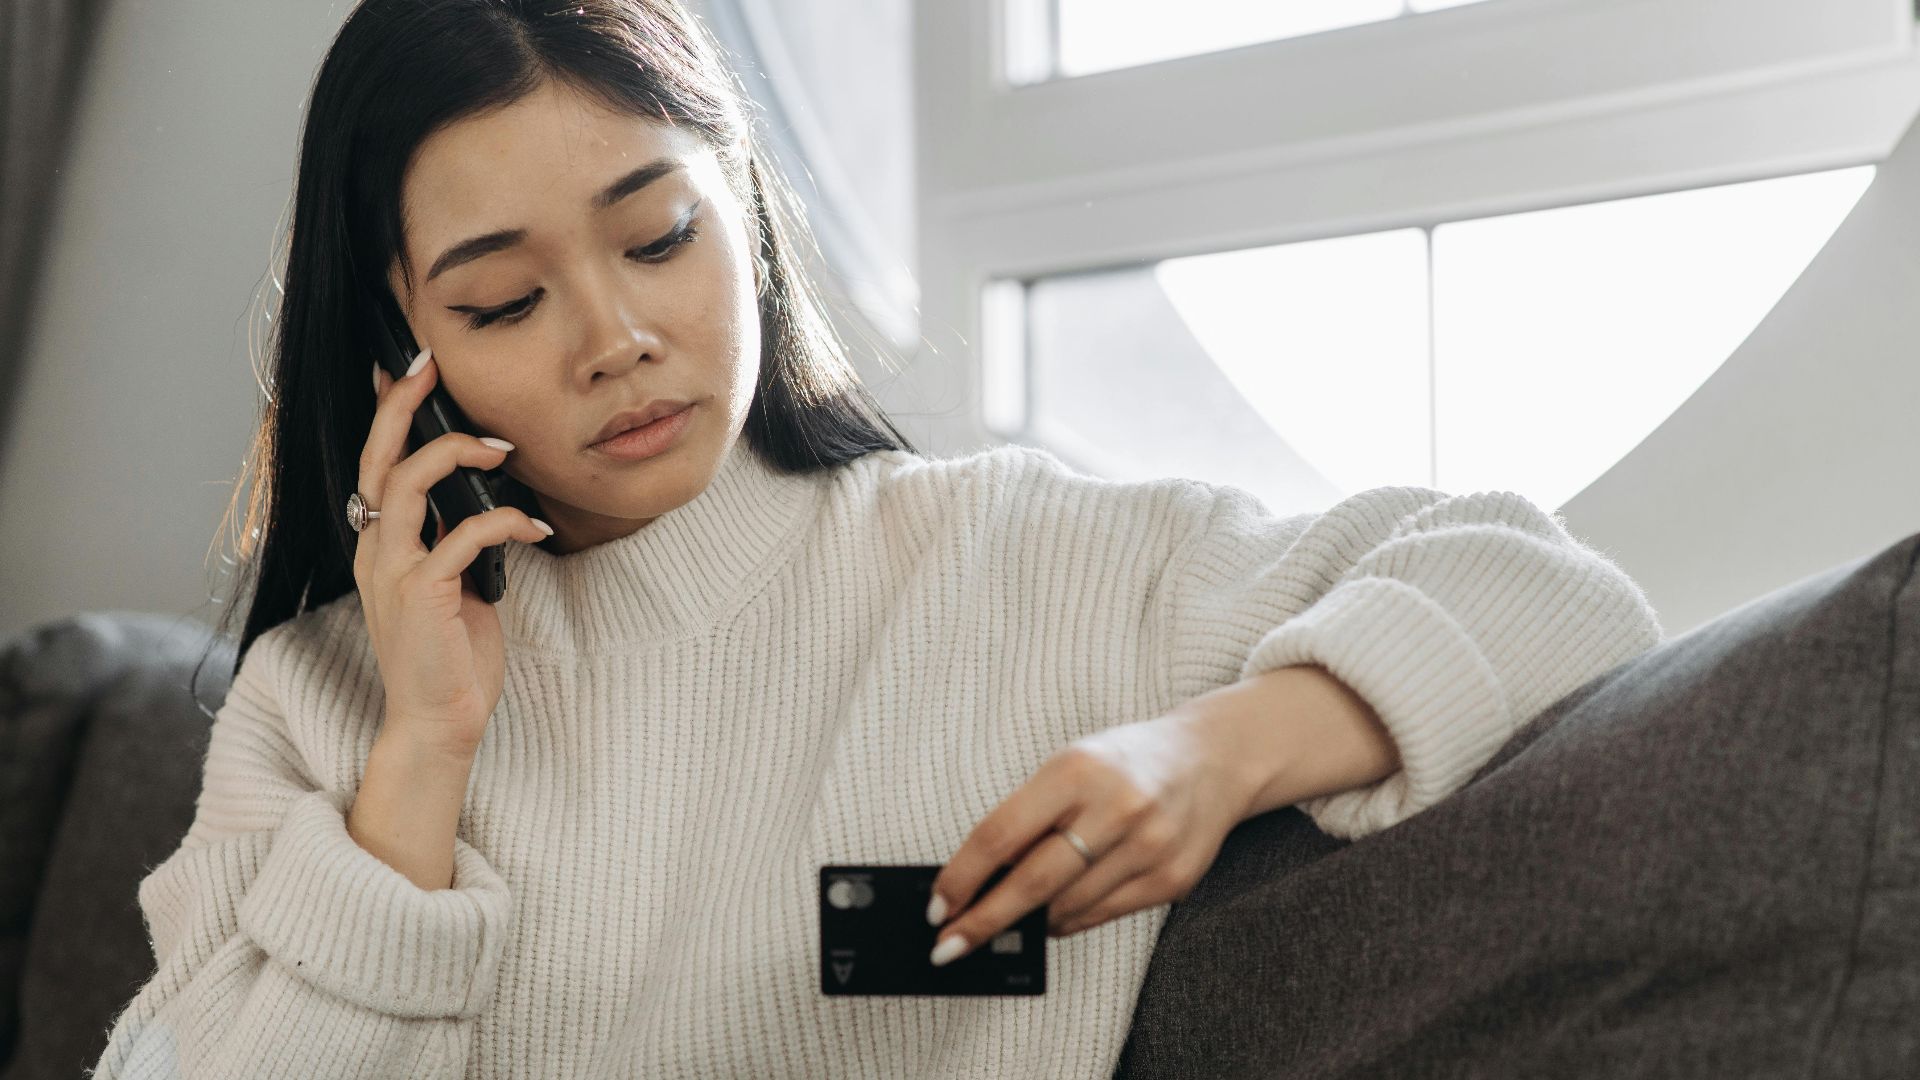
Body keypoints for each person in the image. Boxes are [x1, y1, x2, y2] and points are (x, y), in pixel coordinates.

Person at [89, 1, 1667, 1077]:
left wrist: (1219, 753)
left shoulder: (1014, 564)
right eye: (505, 300)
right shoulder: (323, 705)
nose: (618, 335)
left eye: (658, 237)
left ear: (749, 215)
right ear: (397, 354)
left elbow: (1549, 591)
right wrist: (423, 756)